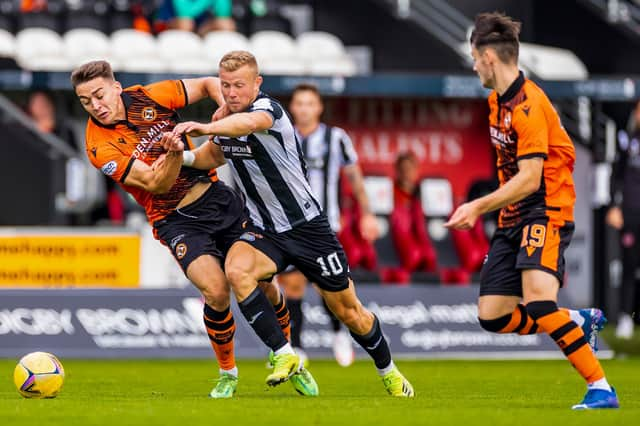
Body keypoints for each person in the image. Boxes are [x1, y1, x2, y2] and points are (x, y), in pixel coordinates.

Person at [173, 50, 414, 397]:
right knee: (237, 271)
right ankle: (285, 353)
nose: (231, 92)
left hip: (308, 229)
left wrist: (207, 126)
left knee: (349, 312)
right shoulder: (225, 120)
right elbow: (209, 156)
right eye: (225, 85)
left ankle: (389, 371)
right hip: (264, 230)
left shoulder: (268, 111)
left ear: (257, 84)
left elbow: (248, 124)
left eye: (239, 85)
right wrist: (178, 157)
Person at [70, 60, 316, 398]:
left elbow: (206, 83)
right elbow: (156, 183)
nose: (95, 106)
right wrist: (174, 151)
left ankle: (288, 356)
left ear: (115, 88)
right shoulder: (98, 145)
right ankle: (228, 372)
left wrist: (222, 114)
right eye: (86, 101)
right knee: (216, 291)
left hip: (219, 201)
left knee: (264, 283)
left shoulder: (147, 96)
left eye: (99, 95)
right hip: (175, 219)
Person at [444, 12, 618, 410]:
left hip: (545, 208)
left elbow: (530, 178)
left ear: (488, 57)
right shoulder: (495, 102)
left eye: (473, 57)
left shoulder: (529, 105)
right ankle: (574, 321)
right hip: (512, 216)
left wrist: (477, 205)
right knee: (492, 315)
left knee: (539, 302)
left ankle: (601, 388)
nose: (473, 66)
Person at [273, 83, 379, 367]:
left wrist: (367, 213)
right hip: (289, 223)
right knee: (292, 285)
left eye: (310, 103)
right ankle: (296, 346)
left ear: (319, 107)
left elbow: (355, 178)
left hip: (324, 223)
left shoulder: (336, 138)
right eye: (300, 103)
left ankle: (338, 334)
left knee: (327, 285)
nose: (305, 109)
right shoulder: (280, 136)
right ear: (292, 108)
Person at [606, 101, 640, 339]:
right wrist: (614, 206)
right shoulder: (627, 140)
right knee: (629, 266)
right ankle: (626, 317)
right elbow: (616, 175)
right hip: (630, 213)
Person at [391, 151, 437, 274]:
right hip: (400, 240)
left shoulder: (425, 191)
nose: (406, 173)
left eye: (410, 169)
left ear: (416, 170)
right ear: (397, 170)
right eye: (403, 169)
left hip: (422, 238)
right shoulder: (390, 191)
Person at [156, 0, 236, 35]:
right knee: (186, 24)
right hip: (169, 24)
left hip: (199, 27)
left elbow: (224, 14)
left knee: (226, 24)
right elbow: (185, 13)